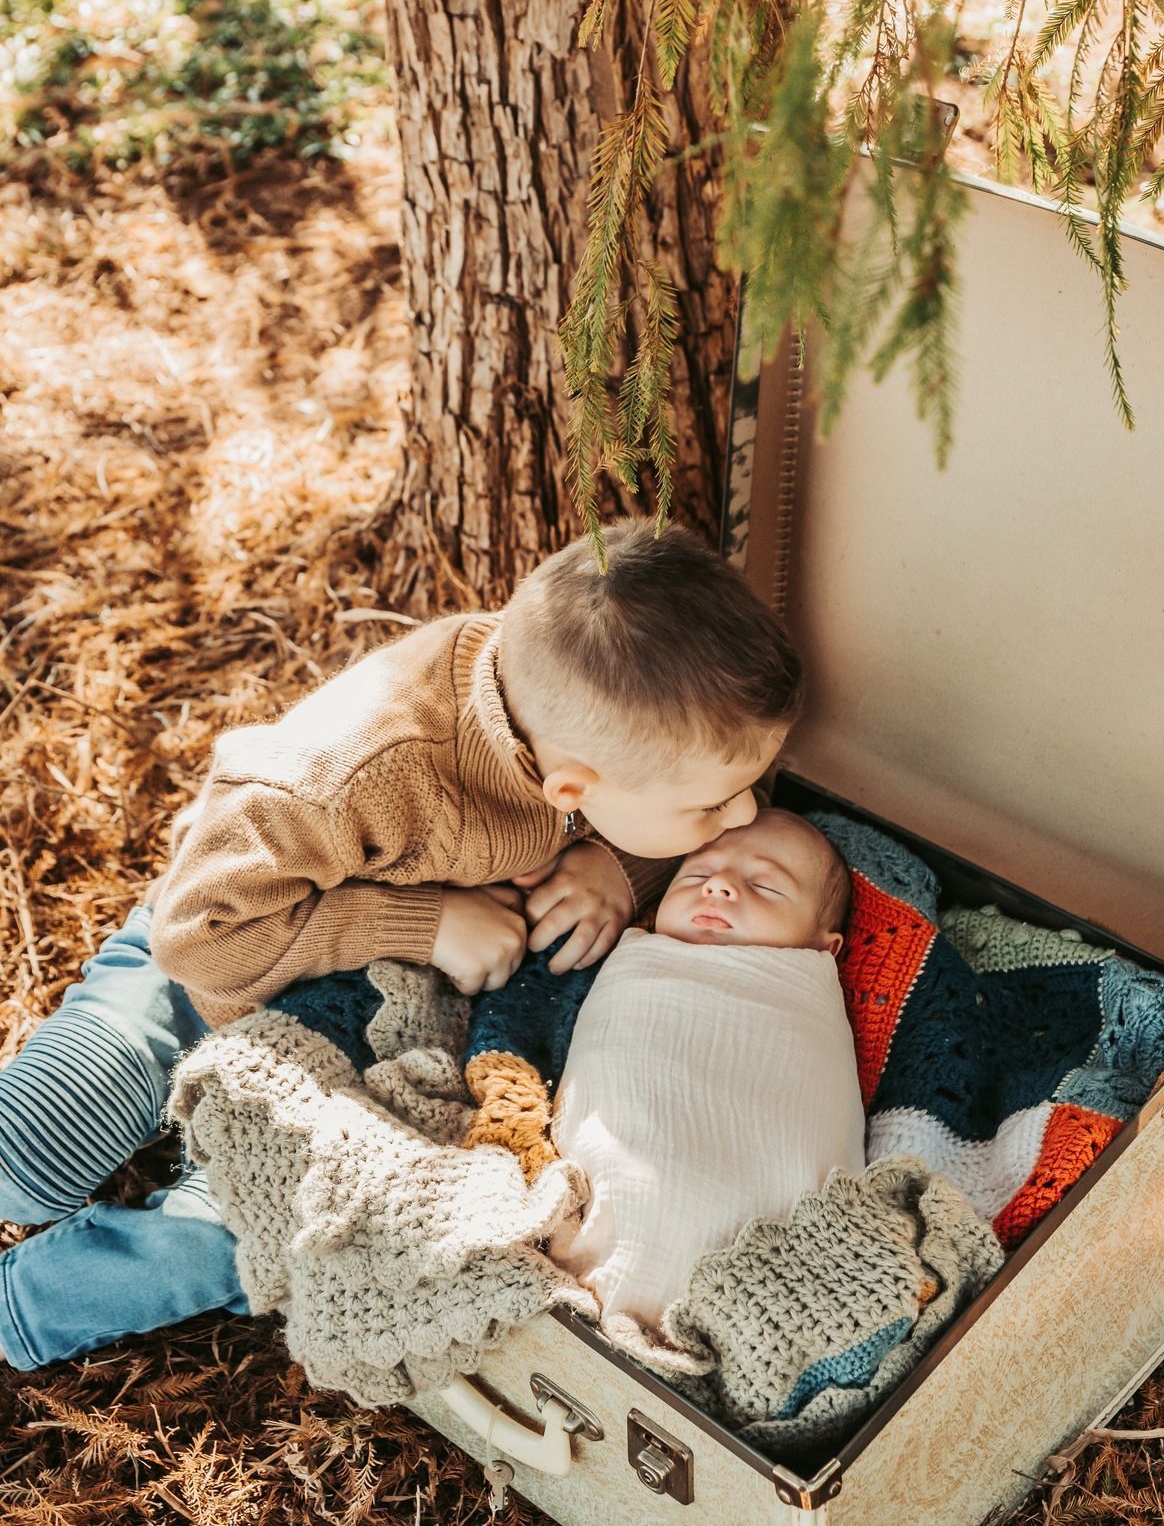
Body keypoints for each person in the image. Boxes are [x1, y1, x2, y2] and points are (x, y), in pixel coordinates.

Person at [0, 524, 804, 1368]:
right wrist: (426, 924)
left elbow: (648, 809)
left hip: (355, 1034)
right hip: (213, 956)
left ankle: (23, 1305)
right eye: (713, 808)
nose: (743, 816)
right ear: (570, 789)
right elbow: (201, 937)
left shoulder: (590, 734)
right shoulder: (361, 764)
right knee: (28, 1151)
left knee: (242, 1233)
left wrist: (616, 862)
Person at [549, 809, 866, 1333]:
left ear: (821, 948)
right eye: (695, 875)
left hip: (763, 1232)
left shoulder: (802, 990)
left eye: (765, 886)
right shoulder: (638, 953)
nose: (718, 885)